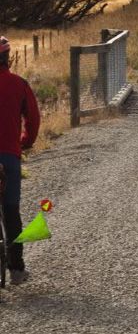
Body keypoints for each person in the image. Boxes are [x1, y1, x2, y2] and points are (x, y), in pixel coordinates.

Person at [0, 36, 40, 285]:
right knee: (11, 212)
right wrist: (25, 142)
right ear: (8, 58)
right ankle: (16, 269)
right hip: (9, 156)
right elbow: (33, 120)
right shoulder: (20, 84)